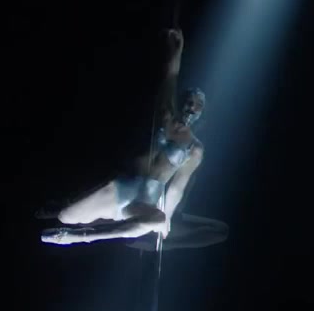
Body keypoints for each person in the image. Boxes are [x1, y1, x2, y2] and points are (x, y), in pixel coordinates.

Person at [41, 29, 206, 246]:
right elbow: (170, 76)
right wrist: (177, 51)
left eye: (197, 104)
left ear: (201, 112)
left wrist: (168, 217)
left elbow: (176, 187)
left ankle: (81, 236)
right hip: (122, 186)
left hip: (144, 200)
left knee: (158, 219)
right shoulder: (165, 114)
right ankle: (66, 211)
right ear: (182, 101)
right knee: (66, 216)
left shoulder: (194, 148)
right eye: (189, 100)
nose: (191, 106)